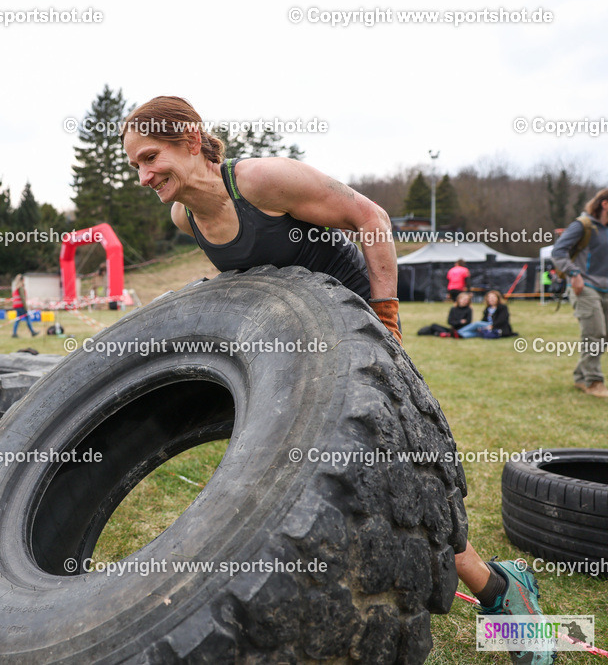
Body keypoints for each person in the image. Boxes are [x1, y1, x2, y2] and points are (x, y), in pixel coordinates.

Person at [121, 96, 551, 662]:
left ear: (192, 140)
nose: (145, 175)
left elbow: (370, 218)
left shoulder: (260, 181)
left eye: (151, 157)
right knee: (322, 476)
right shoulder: (185, 216)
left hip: (359, 329)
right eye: (135, 167)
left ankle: (502, 592)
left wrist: (388, 317)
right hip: (296, 349)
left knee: (400, 468)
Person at [552, 188, 608, 399]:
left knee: (604, 336)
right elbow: (558, 251)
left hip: (606, 288)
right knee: (594, 334)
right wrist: (573, 273)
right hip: (585, 288)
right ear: (605, 204)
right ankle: (593, 381)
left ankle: (579, 376)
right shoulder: (582, 225)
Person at [10, 274, 38, 338]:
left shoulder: (16, 287)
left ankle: (14, 333)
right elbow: (23, 298)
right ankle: (32, 332)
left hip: (16, 306)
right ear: (22, 280)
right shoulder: (21, 288)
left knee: (18, 319)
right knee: (27, 318)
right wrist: (26, 307)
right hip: (21, 306)